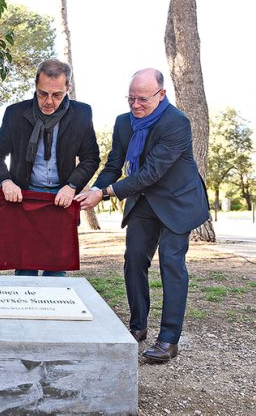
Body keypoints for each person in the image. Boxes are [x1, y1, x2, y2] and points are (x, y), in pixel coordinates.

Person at [75, 68, 209, 363]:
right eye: (130, 98)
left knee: (172, 264)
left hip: (178, 202)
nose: (135, 105)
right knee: (134, 259)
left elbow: (150, 172)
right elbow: (114, 164)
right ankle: (137, 327)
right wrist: (94, 188)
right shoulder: (124, 123)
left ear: (161, 95)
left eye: (142, 100)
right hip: (144, 201)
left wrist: (107, 193)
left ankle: (169, 340)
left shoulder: (177, 123)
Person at [0, 59, 100, 276]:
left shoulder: (82, 114)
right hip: (25, 199)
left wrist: (72, 186)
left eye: (57, 95)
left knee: (56, 272)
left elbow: (90, 158)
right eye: (42, 94)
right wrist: (6, 181)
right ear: (36, 87)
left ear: (68, 88)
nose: (48, 101)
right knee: (25, 272)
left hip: (62, 199)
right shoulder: (15, 113)